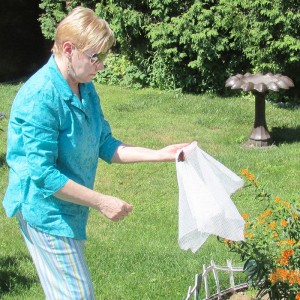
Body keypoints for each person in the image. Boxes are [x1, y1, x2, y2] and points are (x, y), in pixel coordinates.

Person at [2, 6, 189, 300]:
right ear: (68, 49)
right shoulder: (40, 97)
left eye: (103, 57)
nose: (100, 65)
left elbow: (106, 144)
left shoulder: (84, 87)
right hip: (45, 210)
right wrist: (102, 201)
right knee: (77, 295)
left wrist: (161, 154)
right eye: (95, 57)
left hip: (69, 208)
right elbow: (43, 176)